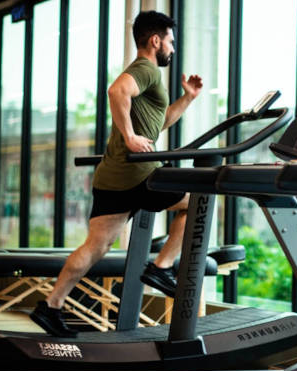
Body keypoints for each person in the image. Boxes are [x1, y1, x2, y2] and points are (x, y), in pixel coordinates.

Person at [30, 10, 203, 337]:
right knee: (197, 201)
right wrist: (129, 137)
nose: (173, 49)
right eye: (171, 42)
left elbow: (158, 122)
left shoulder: (146, 76)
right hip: (139, 173)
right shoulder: (145, 69)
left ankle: (51, 305)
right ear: (156, 41)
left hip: (112, 176)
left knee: (95, 246)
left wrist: (188, 98)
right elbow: (116, 92)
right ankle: (161, 268)